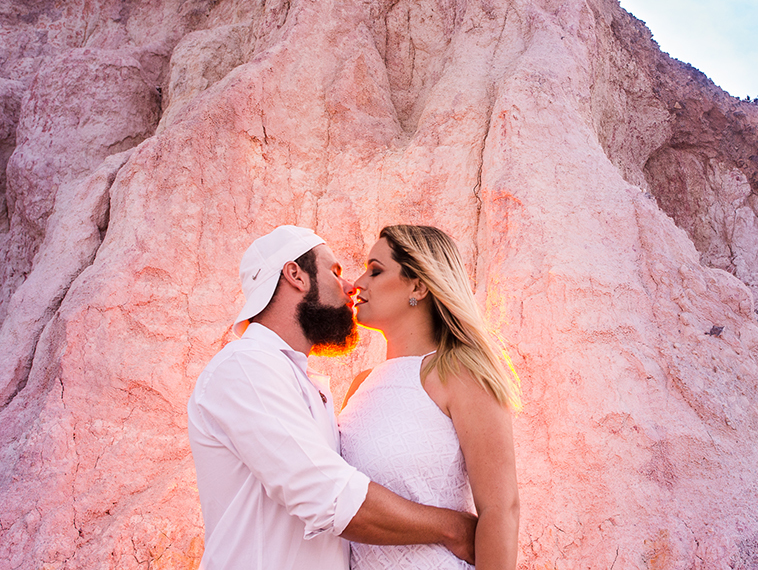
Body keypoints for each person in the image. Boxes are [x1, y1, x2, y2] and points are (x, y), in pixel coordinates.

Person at [187, 225, 477, 570]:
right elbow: (326, 495)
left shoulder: (297, 380)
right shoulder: (245, 367)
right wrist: (453, 528)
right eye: (335, 272)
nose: (351, 285)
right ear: (296, 275)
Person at [340, 225, 520, 570]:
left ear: (418, 286)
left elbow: (501, 510)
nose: (358, 282)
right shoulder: (361, 386)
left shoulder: (461, 375)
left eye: (375, 271)